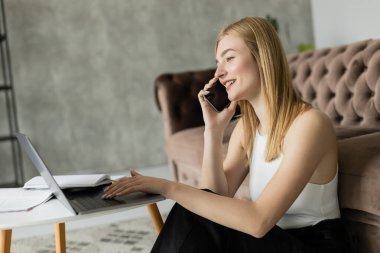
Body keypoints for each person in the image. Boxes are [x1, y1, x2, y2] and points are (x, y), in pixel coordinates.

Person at [103, 16, 349, 252]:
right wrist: (213, 131)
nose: (218, 73)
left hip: (312, 244)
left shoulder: (309, 124)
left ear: (262, 58)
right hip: (273, 241)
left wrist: (168, 187)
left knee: (188, 206)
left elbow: (258, 221)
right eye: (218, 62)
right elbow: (214, 197)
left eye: (229, 59)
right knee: (195, 210)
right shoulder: (247, 129)